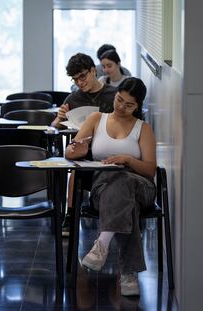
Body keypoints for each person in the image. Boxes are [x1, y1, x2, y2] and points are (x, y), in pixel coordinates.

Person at [65, 77, 156, 297]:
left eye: (129, 104)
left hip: (139, 185)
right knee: (127, 203)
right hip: (102, 188)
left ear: (138, 106)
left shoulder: (142, 128)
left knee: (124, 180)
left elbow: (150, 170)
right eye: (119, 100)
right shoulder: (97, 119)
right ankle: (128, 274)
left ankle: (101, 245)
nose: (121, 107)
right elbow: (70, 153)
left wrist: (127, 160)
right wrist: (77, 149)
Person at [52, 53, 117, 237]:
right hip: (84, 154)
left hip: (112, 150)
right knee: (75, 171)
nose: (80, 82)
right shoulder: (72, 99)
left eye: (83, 76)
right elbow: (53, 128)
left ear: (93, 71)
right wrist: (59, 118)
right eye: (75, 79)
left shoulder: (113, 95)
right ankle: (71, 215)